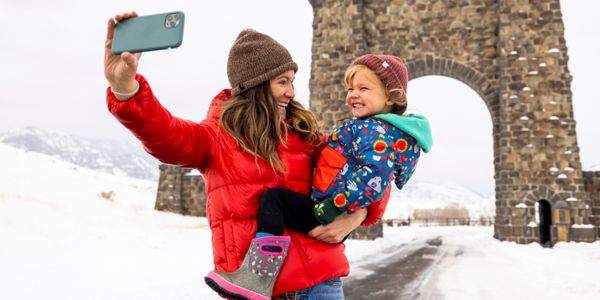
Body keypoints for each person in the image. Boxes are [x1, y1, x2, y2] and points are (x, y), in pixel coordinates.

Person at [103, 12, 390, 299]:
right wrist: (126, 89)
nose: (291, 92)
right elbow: (167, 136)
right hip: (257, 292)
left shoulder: (305, 134)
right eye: (282, 82)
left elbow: (375, 163)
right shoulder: (216, 137)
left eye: (292, 81)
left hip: (318, 284)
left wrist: (358, 215)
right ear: (256, 84)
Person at [207, 53, 432, 299]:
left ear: (391, 96)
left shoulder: (376, 132)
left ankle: (258, 276)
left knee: (275, 200)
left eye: (363, 88)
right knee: (277, 202)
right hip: (329, 205)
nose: (352, 94)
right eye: (350, 88)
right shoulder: (373, 129)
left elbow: (375, 179)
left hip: (328, 208)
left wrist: (336, 208)